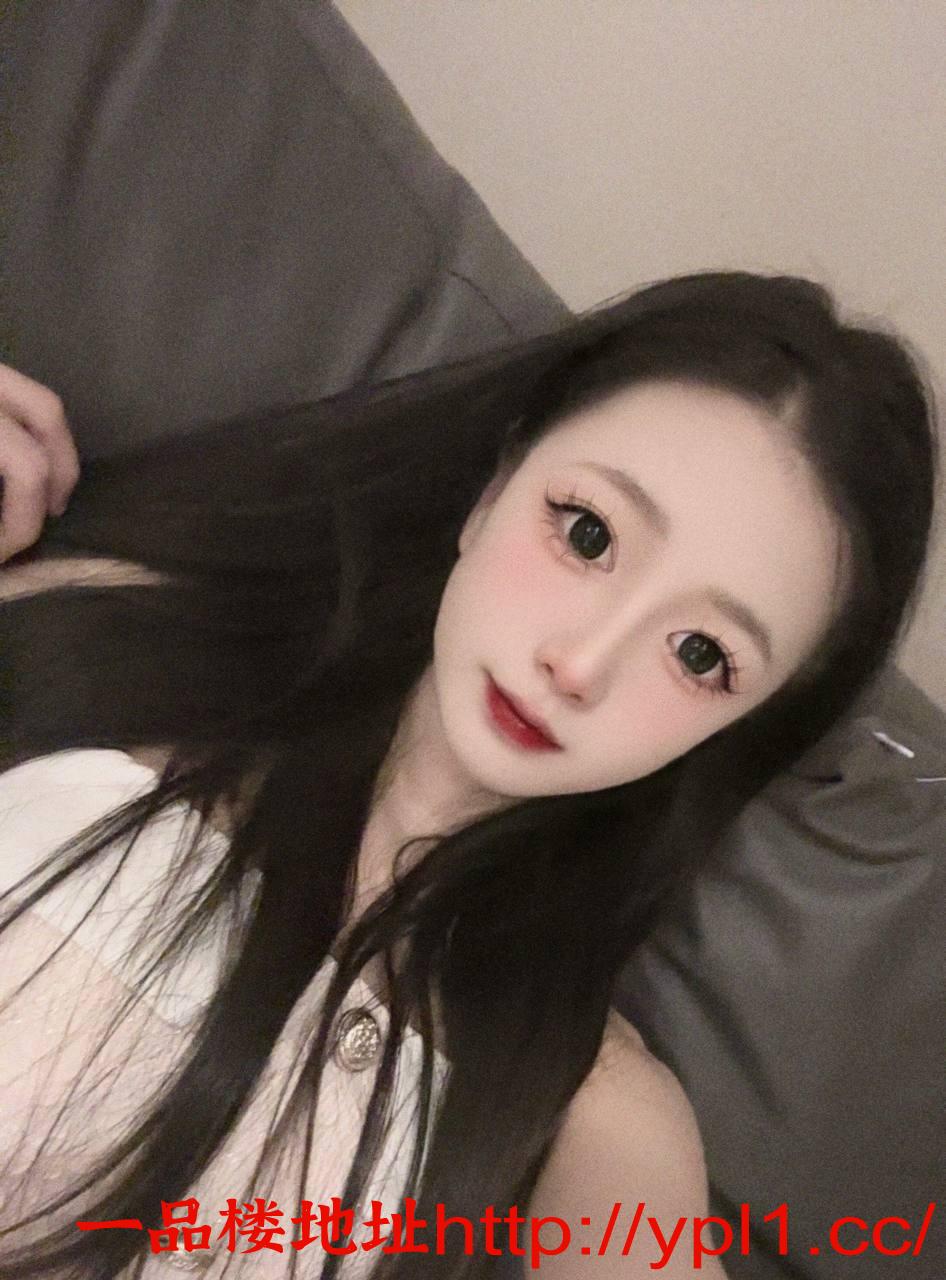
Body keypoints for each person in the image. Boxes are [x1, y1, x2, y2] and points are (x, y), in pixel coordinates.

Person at [0, 271, 937, 1280]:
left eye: (701, 653)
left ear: (739, 727)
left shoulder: (587, 1117)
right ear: (494, 488)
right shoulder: (110, 639)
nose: (580, 664)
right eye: (587, 532)